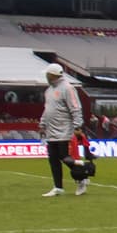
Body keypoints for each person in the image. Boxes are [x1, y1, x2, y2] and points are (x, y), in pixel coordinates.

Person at [39, 63, 81, 197]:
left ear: (53, 75)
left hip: (64, 129)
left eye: (47, 74)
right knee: (53, 159)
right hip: (51, 131)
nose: (46, 76)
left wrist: (77, 126)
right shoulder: (48, 90)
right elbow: (47, 110)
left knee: (64, 157)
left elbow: (75, 107)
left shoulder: (68, 88)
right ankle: (58, 187)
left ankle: (82, 176)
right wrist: (43, 124)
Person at [62, 125, 96, 196]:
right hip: (67, 155)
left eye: (81, 130)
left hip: (73, 157)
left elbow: (85, 144)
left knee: (75, 172)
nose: (81, 132)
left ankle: (82, 182)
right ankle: (84, 179)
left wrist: (88, 155)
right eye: (80, 130)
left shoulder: (77, 135)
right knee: (74, 170)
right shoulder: (69, 134)